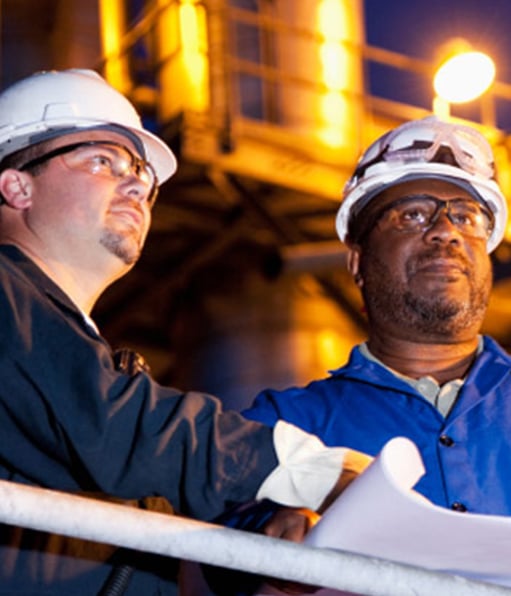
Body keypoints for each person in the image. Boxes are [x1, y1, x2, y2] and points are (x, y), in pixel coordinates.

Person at [0, 68, 368, 595]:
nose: (136, 186)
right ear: (17, 186)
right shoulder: (10, 308)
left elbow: (90, 550)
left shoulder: (69, 365)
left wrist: (259, 542)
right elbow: (118, 429)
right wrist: (313, 471)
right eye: (101, 161)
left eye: (142, 176)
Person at [208, 115, 511, 594]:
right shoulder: (281, 425)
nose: (445, 231)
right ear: (358, 262)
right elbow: (201, 562)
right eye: (413, 214)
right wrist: (277, 528)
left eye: (467, 218)